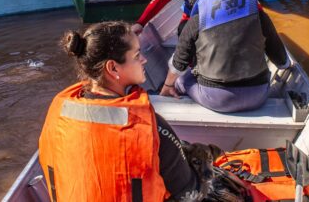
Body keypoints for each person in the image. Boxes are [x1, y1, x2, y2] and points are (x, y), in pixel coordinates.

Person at [38, 21, 199, 201]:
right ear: (113, 68)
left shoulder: (61, 113)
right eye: (137, 55)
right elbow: (188, 192)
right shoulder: (149, 128)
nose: (144, 59)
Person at [160, 0, 291, 113]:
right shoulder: (258, 15)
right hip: (257, 95)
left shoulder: (199, 19)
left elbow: (179, 64)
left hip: (217, 99)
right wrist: (286, 65)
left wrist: (168, 86)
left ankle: (174, 93)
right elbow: (282, 60)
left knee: (182, 80)